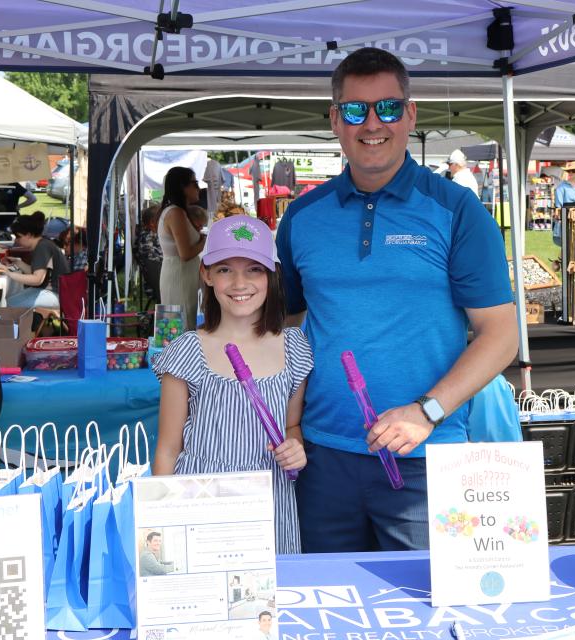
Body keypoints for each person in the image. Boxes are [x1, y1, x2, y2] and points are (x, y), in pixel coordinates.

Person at [275, 47, 516, 553]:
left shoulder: (456, 209)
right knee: (327, 615)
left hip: (428, 458)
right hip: (322, 458)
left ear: (409, 114)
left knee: (424, 621)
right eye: (355, 110)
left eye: (387, 107)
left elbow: (501, 337)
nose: (371, 124)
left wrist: (426, 412)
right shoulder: (302, 217)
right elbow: (290, 328)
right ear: (335, 119)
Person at [152, 215, 313, 554]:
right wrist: (159, 520)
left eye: (254, 269)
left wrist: (295, 448)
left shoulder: (294, 346)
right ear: (206, 274)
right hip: (199, 503)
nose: (240, 282)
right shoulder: (186, 349)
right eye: (225, 269)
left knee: (266, 601)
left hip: (270, 501)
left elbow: (291, 425)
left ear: (272, 275)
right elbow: (168, 448)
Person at [157, 167, 207, 329]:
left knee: (185, 322)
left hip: (183, 275)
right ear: (182, 187)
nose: (198, 188)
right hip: (179, 276)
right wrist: (205, 240)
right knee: (180, 327)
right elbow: (185, 253)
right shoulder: (175, 213)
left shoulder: (178, 212)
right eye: (194, 183)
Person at [0, 211, 70, 308]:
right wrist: (18, 263)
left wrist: (9, 273)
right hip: (57, 293)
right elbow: (36, 271)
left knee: (6, 306)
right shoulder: (44, 244)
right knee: (7, 303)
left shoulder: (42, 247)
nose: (16, 240)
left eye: (18, 236)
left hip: (56, 295)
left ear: (29, 235)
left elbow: (37, 279)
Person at [552, 161, 575, 250]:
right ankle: (561, 263)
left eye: (573, 171)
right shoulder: (562, 187)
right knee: (567, 246)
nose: (570, 173)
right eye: (569, 171)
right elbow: (558, 206)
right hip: (567, 219)